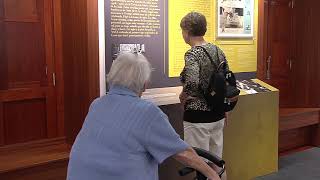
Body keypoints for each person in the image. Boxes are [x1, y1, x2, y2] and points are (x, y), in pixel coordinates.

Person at [67, 52, 220, 180]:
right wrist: (212, 174)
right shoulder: (147, 112)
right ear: (145, 84)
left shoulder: (97, 104)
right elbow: (183, 153)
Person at [179, 12, 235, 180]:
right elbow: (227, 80)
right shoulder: (217, 50)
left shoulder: (192, 54)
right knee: (216, 163)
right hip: (217, 115)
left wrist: (183, 96)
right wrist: (225, 107)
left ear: (188, 31)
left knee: (198, 163)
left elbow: (192, 82)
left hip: (198, 118)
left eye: (182, 30)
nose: (182, 34)